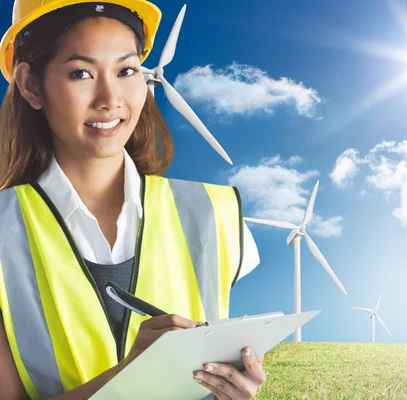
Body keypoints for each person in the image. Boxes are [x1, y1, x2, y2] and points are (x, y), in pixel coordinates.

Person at [0, 1, 267, 399]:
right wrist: (133, 379)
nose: (110, 97)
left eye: (127, 71)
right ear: (30, 85)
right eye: (81, 73)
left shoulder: (218, 215)